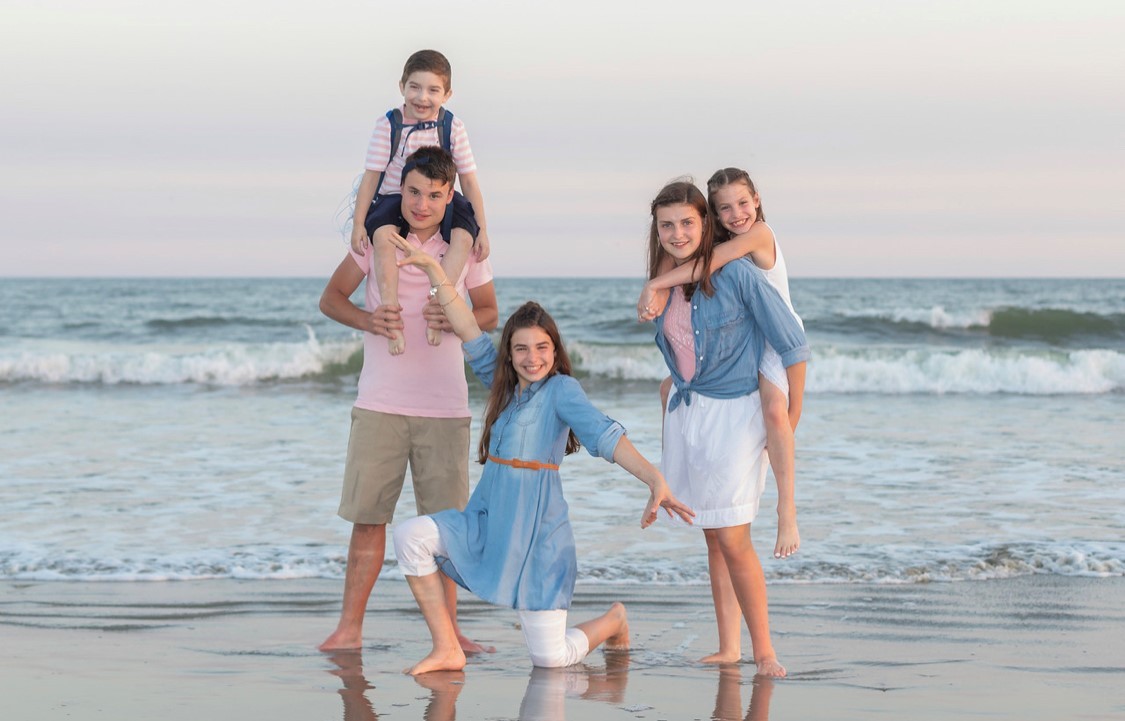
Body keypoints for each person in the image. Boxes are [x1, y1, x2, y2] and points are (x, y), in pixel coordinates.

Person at [385, 233, 695, 675]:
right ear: (509, 356)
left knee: (550, 661)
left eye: (542, 347)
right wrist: (436, 271)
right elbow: (467, 324)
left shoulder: (562, 392)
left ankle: (614, 620)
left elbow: (606, 437)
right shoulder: (503, 385)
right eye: (522, 349)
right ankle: (447, 647)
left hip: (538, 538)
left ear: (555, 350)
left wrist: (654, 479)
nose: (533, 358)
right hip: (489, 523)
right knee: (409, 537)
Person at [318, 146, 499, 653]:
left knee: (446, 531)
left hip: (445, 408)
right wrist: (368, 319)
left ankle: (452, 634)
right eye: (414, 192)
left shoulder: (467, 250)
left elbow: (488, 312)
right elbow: (331, 298)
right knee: (368, 518)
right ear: (404, 190)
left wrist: (456, 315)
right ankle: (349, 629)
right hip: (379, 403)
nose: (422, 204)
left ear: (449, 198)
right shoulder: (376, 242)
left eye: (434, 195)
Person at [645, 180, 809, 677]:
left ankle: (764, 653)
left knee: (733, 538)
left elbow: (792, 342)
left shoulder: (738, 274)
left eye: (688, 223)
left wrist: (791, 414)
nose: (677, 233)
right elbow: (680, 355)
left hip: (734, 417)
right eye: (667, 224)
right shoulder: (665, 280)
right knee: (712, 534)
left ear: (706, 224)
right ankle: (728, 647)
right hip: (690, 415)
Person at [349, 49, 492, 355]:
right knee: (385, 239)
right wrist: (359, 224)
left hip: (441, 200)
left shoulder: (453, 126)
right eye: (414, 87)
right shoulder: (388, 125)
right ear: (402, 86)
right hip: (394, 197)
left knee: (463, 237)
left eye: (433, 90)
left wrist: (483, 229)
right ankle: (391, 315)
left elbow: (468, 180)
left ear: (447, 94)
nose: (422, 97)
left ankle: (439, 306)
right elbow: (371, 177)